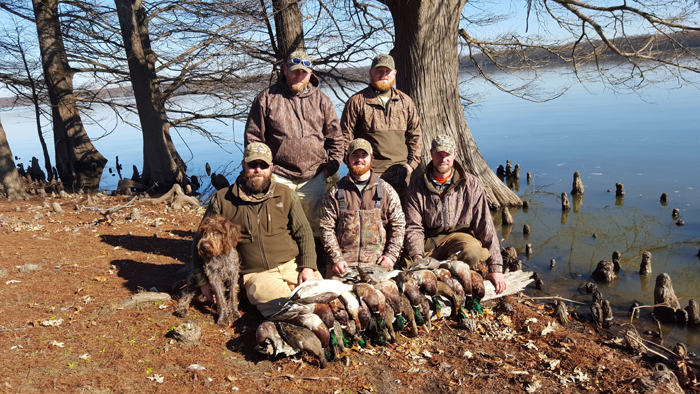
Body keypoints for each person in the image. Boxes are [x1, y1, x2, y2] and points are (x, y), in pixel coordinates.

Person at [192, 142, 322, 318]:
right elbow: (200, 239)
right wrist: (202, 280)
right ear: (243, 165)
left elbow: (304, 232)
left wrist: (307, 266)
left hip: (294, 266)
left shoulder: (286, 194)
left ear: (271, 167)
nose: (258, 170)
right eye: (253, 165)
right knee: (287, 308)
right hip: (257, 275)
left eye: (264, 165)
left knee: (323, 300)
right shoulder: (223, 200)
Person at [244, 49, 344, 238]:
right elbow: (253, 139)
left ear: (310, 74)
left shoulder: (323, 101)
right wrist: (264, 170)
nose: (299, 76)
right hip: (279, 176)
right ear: (285, 70)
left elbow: (336, 139)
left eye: (303, 73)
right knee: (280, 226)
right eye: (295, 71)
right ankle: (287, 264)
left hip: (315, 175)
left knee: (317, 228)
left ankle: (316, 264)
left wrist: (330, 168)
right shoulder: (266, 98)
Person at [403, 135, 507, 293]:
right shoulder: (416, 186)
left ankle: (450, 276)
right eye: (438, 154)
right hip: (428, 242)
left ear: (455, 154)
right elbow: (413, 227)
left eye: (447, 155)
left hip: (458, 239)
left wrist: (496, 268)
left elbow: (485, 224)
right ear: (431, 153)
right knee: (407, 270)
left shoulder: (470, 184)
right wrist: (418, 256)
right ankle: (437, 274)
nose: (443, 159)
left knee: (474, 252)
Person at [319, 138, 405, 276]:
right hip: (343, 267)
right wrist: (337, 259)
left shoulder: (387, 191)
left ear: (371, 159)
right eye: (355, 155)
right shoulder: (334, 192)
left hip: (377, 266)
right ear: (347, 159)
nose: (359, 160)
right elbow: (326, 228)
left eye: (364, 156)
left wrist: (391, 256)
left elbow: (398, 225)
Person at [340, 54, 422, 195]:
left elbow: (416, 134)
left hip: (401, 172)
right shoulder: (356, 102)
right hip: (370, 173)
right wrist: (356, 166)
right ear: (371, 72)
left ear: (394, 73)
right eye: (379, 71)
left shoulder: (406, 101)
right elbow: (344, 137)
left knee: (401, 215)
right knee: (374, 215)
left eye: (387, 71)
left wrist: (411, 165)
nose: (383, 75)